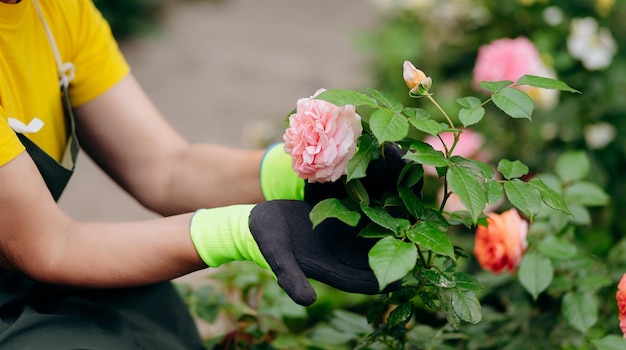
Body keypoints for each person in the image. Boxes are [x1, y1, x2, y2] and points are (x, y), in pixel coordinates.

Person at [0, 0, 409, 348]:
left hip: (26, 275)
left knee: (149, 309)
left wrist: (313, 170)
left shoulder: (54, 10)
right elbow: (48, 244)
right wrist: (239, 231)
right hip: (30, 267)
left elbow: (165, 168)